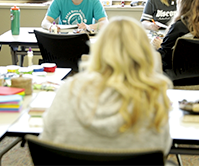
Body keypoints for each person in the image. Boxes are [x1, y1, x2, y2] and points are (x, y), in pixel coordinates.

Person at [39, 16, 173, 162]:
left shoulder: (68, 90)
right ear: (144, 53)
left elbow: (46, 140)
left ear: (98, 49)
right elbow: (163, 148)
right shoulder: (154, 97)